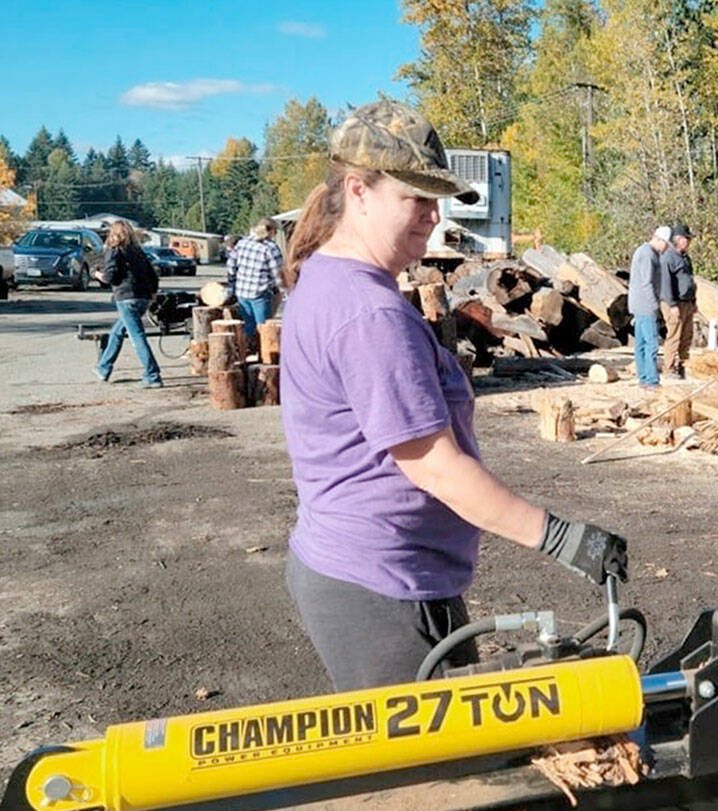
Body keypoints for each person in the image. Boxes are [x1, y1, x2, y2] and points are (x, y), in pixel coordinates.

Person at [278, 99, 628, 691]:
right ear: (359, 191)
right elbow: (436, 468)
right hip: (381, 586)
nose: (432, 216)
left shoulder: (335, 281)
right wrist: (564, 539)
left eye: (435, 200)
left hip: (384, 574)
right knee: (436, 779)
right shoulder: (366, 313)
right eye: (416, 199)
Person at [92, 221, 162, 388]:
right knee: (117, 332)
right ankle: (103, 367)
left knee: (137, 337)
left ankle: (152, 375)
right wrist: (152, 293)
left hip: (126, 298)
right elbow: (153, 274)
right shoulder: (137, 251)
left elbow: (110, 277)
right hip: (143, 298)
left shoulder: (114, 250)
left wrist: (96, 274)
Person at [628, 225, 671, 388]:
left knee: (641, 343)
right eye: (666, 244)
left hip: (639, 304)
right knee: (651, 344)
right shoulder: (648, 255)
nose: (666, 248)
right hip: (645, 305)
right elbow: (647, 283)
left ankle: (644, 377)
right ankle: (651, 380)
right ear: (659, 240)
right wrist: (655, 307)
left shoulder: (643, 251)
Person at [227, 218, 284, 342]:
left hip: (242, 291)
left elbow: (231, 265)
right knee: (263, 327)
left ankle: (249, 349)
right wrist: (282, 290)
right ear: (271, 231)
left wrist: (232, 284)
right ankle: (263, 354)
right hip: (260, 293)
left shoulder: (242, 243)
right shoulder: (271, 248)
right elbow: (278, 273)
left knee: (249, 325)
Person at [659, 223, 696, 379]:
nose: (689, 242)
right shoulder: (668, 257)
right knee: (674, 335)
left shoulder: (685, 258)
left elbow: (690, 279)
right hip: (674, 303)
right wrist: (672, 304)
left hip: (687, 302)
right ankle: (668, 368)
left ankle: (683, 365)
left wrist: (693, 302)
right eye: (686, 239)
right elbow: (665, 283)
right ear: (678, 239)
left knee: (687, 335)